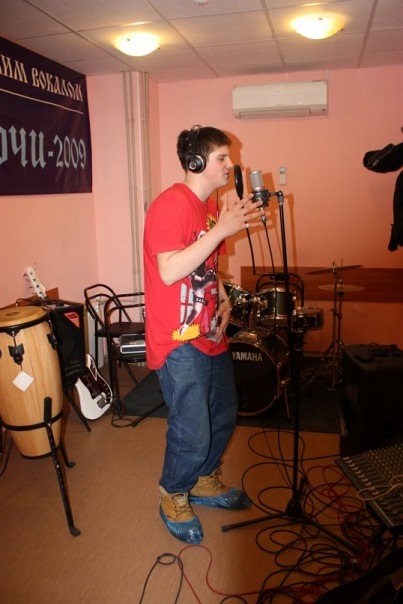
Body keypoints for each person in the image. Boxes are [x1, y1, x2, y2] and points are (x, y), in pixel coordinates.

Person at [143, 125, 266, 544]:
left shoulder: (209, 208)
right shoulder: (170, 204)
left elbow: (206, 267)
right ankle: (173, 492)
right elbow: (169, 270)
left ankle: (203, 479)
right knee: (192, 427)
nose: (231, 164)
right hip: (178, 338)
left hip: (210, 331)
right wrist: (222, 229)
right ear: (196, 163)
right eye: (222, 158)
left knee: (223, 413)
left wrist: (224, 298)